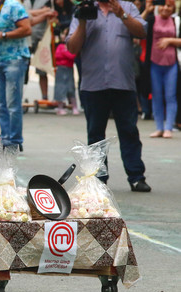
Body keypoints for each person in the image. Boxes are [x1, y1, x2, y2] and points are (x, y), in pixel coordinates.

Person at [67, 0, 151, 192]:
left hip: (123, 82)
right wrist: (82, 22)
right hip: (93, 84)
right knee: (95, 135)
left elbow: (142, 32)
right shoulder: (84, 9)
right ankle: (98, 180)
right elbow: (72, 48)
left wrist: (121, 13)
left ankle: (136, 177)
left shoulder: (127, 7)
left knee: (129, 131)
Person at [0, 0, 31, 151]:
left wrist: (4, 34)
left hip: (15, 58)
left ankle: (15, 140)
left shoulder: (14, 6)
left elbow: (27, 29)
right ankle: (6, 139)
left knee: (13, 102)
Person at [141, 0, 178, 138]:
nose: (165, 8)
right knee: (156, 95)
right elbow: (138, 25)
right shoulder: (151, 19)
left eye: (168, 5)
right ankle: (159, 127)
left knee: (170, 96)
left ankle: (168, 127)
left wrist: (170, 41)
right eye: (162, 5)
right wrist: (147, 10)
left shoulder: (176, 21)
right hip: (154, 63)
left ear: (173, 7)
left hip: (172, 64)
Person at [23, 0, 52, 101]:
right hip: (25, 39)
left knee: (42, 68)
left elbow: (50, 10)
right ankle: (19, 97)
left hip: (41, 38)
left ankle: (45, 97)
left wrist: (43, 12)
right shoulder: (24, 2)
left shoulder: (46, 1)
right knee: (23, 68)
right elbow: (24, 13)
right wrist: (43, 12)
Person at [53, 27, 79, 115]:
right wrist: (65, 53)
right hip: (60, 68)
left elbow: (72, 56)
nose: (63, 36)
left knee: (70, 87)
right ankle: (60, 107)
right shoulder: (60, 46)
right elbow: (57, 55)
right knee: (60, 87)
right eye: (63, 34)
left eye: (65, 34)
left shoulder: (71, 47)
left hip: (69, 68)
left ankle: (74, 106)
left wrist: (65, 53)